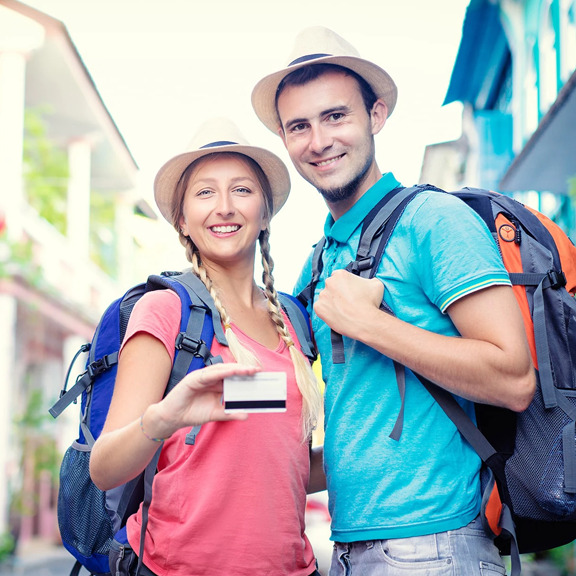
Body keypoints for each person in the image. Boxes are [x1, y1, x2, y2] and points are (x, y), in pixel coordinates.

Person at [251, 26, 536, 575]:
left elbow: (514, 379)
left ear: (376, 116)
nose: (319, 140)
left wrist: (371, 324)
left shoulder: (433, 221)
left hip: (434, 546)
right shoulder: (319, 261)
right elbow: (353, 428)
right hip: (350, 547)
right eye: (299, 127)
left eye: (336, 116)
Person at [89, 117, 323, 576]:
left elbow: (279, 464)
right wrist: (162, 420)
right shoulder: (165, 311)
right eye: (204, 193)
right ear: (182, 219)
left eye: (241, 190)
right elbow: (104, 469)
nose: (224, 207)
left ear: (266, 211)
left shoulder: (295, 321)